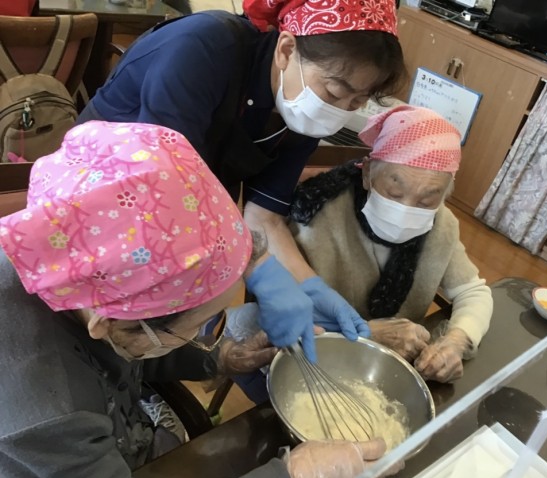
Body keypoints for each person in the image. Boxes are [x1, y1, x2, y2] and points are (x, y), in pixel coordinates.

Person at [0, 121, 398, 478]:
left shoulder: (81, 278)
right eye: (198, 327)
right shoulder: (51, 414)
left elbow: (132, 346)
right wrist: (291, 476)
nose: (204, 333)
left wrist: (220, 358)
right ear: (106, 322)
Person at [76, 0, 407, 361]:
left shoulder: (301, 114)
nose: (339, 111)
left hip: (187, 209)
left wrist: (309, 286)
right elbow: (169, 196)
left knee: (163, 336)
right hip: (104, 196)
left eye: (357, 102)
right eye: (335, 93)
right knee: (105, 326)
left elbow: (263, 215)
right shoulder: (202, 49)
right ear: (286, 49)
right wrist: (262, 273)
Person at [226, 106, 493, 402]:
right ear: (367, 173)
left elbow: (474, 292)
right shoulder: (317, 215)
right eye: (394, 193)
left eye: (427, 200)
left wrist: (456, 341)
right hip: (314, 359)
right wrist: (367, 335)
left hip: (382, 373)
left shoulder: (440, 225)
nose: (406, 209)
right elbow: (286, 314)